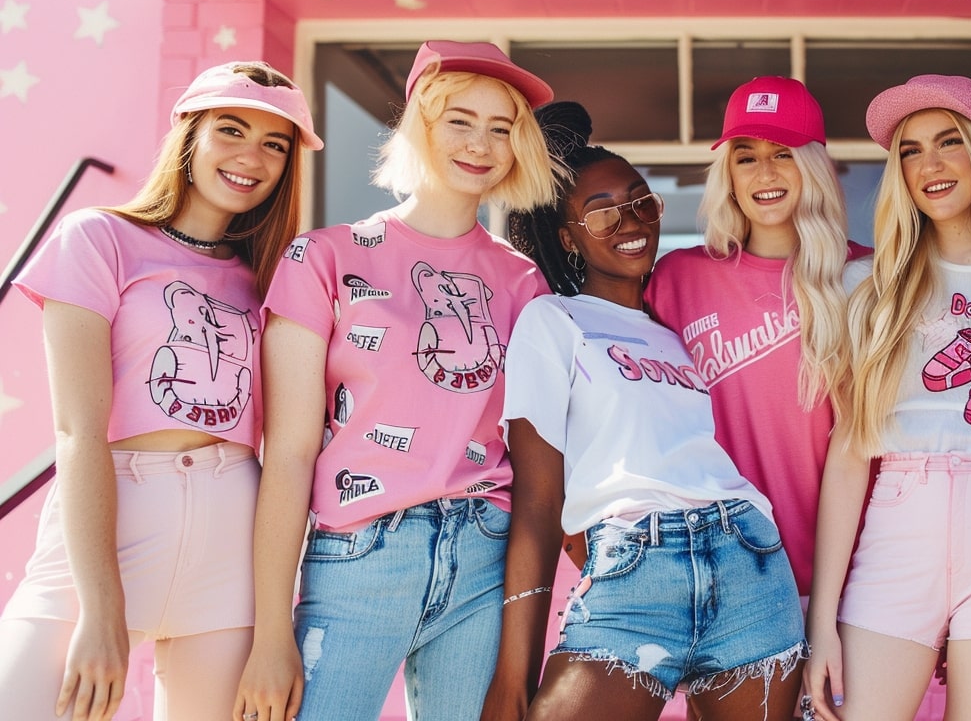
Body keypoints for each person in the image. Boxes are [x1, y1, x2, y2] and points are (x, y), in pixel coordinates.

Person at [234, 40, 559, 721]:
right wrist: (271, 633)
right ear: (420, 124)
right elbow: (289, 454)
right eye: (459, 120)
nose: (481, 143)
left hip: (482, 561)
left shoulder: (525, 283)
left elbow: (534, 464)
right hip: (358, 558)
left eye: (502, 128)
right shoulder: (322, 258)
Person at [0, 61, 320, 721]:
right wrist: (102, 608)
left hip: (231, 527)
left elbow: (289, 446)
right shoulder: (99, 238)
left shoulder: (274, 277)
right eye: (230, 130)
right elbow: (78, 431)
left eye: (274, 144)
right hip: (110, 515)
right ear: (189, 136)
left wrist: (272, 626)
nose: (250, 157)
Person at [484, 101, 805, 721]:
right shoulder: (554, 321)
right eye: (600, 211)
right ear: (567, 236)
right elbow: (539, 501)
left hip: (750, 561)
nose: (628, 220)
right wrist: (513, 673)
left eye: (640, 201)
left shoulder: (674, 329)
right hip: (634, 568)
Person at [803, 75, 971, 721]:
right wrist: (823, 619)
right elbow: (848, 451)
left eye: (949, 142)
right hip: (897, 525)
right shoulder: (869, 285)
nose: (930, 164)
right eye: (910, 150)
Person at [647, 76, 865, 601]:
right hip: (722, 575)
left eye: (783, 153)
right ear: (729, 175)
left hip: (850, 577)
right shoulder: (678, 279)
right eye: (746, 157)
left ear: (811, 165)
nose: (764, 173)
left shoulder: (863, 276)